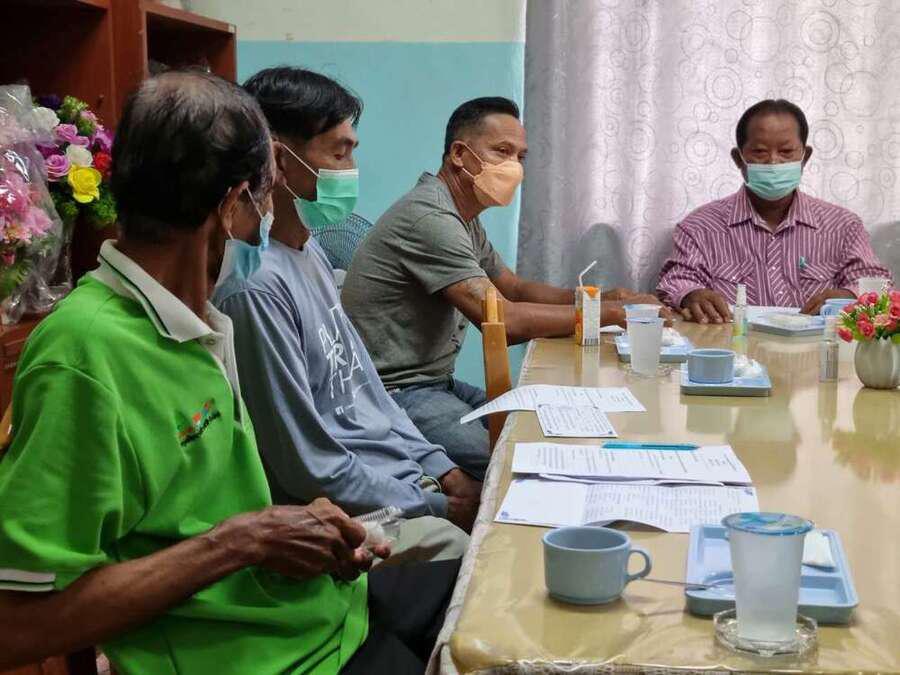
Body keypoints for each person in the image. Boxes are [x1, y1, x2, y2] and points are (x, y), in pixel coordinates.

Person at [0, 71, 457, 675]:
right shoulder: (84, 356)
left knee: (487, 586)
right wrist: (240, 543)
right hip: (264, 657)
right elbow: (18, 625)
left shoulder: (200, 319)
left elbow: (210, 510)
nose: (269, 219)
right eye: (266, 197)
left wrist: (295, 532)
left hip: (314, 608)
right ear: (233, 205)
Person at [214, 66, 480, 551]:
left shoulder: (311, 252)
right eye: (339, 153)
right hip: (350, 513)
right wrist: (436, 505)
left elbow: (369, 390)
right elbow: (307, 467)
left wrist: (442, 469)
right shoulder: (255, 289)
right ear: (279, 159)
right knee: (469, 554)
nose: (351, 169)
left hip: (402, 482)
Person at [342, 97, 666, 479]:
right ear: (459, 155)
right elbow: (503, 321)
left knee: (543, 429)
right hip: (394, 393)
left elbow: (513, 287)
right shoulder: (430, 218)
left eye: (520, 156)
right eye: (502, 151)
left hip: (437, 384)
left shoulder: (462, 216)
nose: (514, 166)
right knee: (516, 464)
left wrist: (600, 299)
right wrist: (611, 315)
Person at [657, 98, 892, 322]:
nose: (773, 162)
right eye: (760, 152)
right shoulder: (700, 227)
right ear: (739, 159)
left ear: (805, 157)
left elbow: (878, 285)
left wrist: (848, 296)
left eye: (786, 152)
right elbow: (677, 280)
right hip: (734, 346)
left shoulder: (843, 226)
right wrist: (690, 295)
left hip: (813, 347)